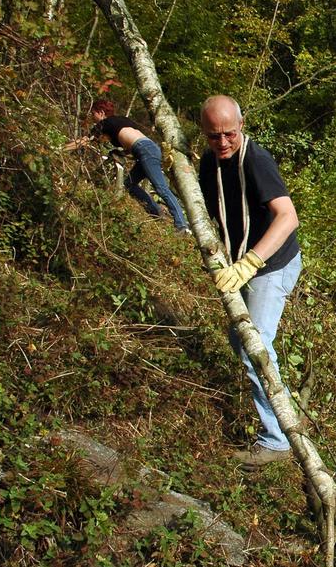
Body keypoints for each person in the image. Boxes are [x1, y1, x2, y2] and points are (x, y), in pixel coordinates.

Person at [198, 95, 301, 469]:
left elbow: (287, 217)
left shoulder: (256, 161)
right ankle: (283, 411)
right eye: (214, 137)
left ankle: (277, 440)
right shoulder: (209, 163)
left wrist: (251, 262)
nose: (223, 143)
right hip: (241, 259)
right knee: (239, 339)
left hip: (272, 264)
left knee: (253, 345)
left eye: (229, 134)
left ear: (241, 127)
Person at [65, 100, 190, 233]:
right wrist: (121, 152)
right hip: (147, 148)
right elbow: (132, 142)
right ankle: (156, 213)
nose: (92, 117)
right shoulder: (121, 120)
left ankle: (181, 224)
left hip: (144, 151)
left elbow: (84, 141)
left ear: (101, 113)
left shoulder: (104, 123)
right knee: (129, 184)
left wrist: (61, 148)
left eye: (93, 114)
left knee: (161, 188)